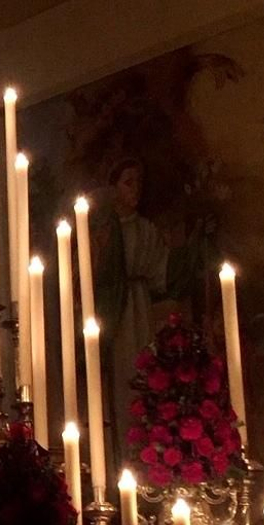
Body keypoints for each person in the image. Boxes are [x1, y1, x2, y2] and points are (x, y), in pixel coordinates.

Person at [90, 157, 210, 465]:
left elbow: (164, 272)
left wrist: (193, 244)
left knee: (143, 376)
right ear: (113, 187)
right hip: (115, 311)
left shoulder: (146, 229)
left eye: (139, 182)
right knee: (120, 381)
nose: (135, 190)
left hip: (139, 307)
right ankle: (119, 457)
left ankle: (144, 457)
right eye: (128, 182)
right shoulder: (104, 230)